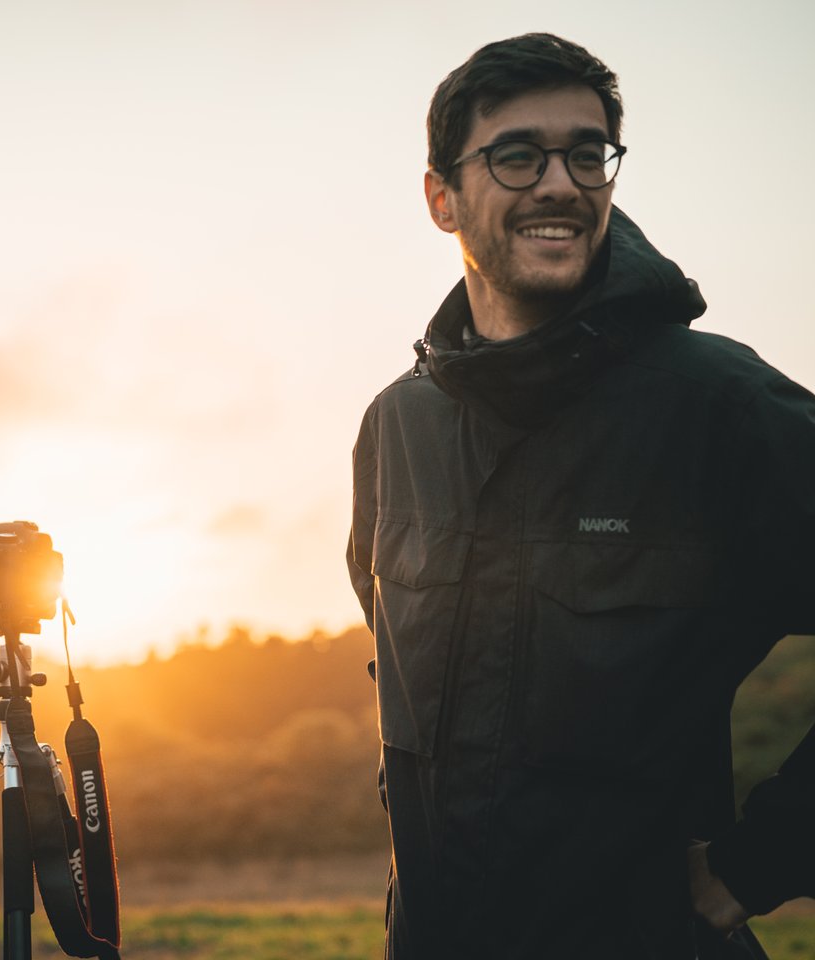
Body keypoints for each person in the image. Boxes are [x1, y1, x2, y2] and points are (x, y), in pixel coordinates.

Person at [346, 33, 815, 959]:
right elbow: (398, 678)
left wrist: (756, 863)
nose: (560, 182)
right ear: (442, 197)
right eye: (517, 154)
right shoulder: (397, 427)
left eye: (586, 153)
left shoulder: (718, 407)